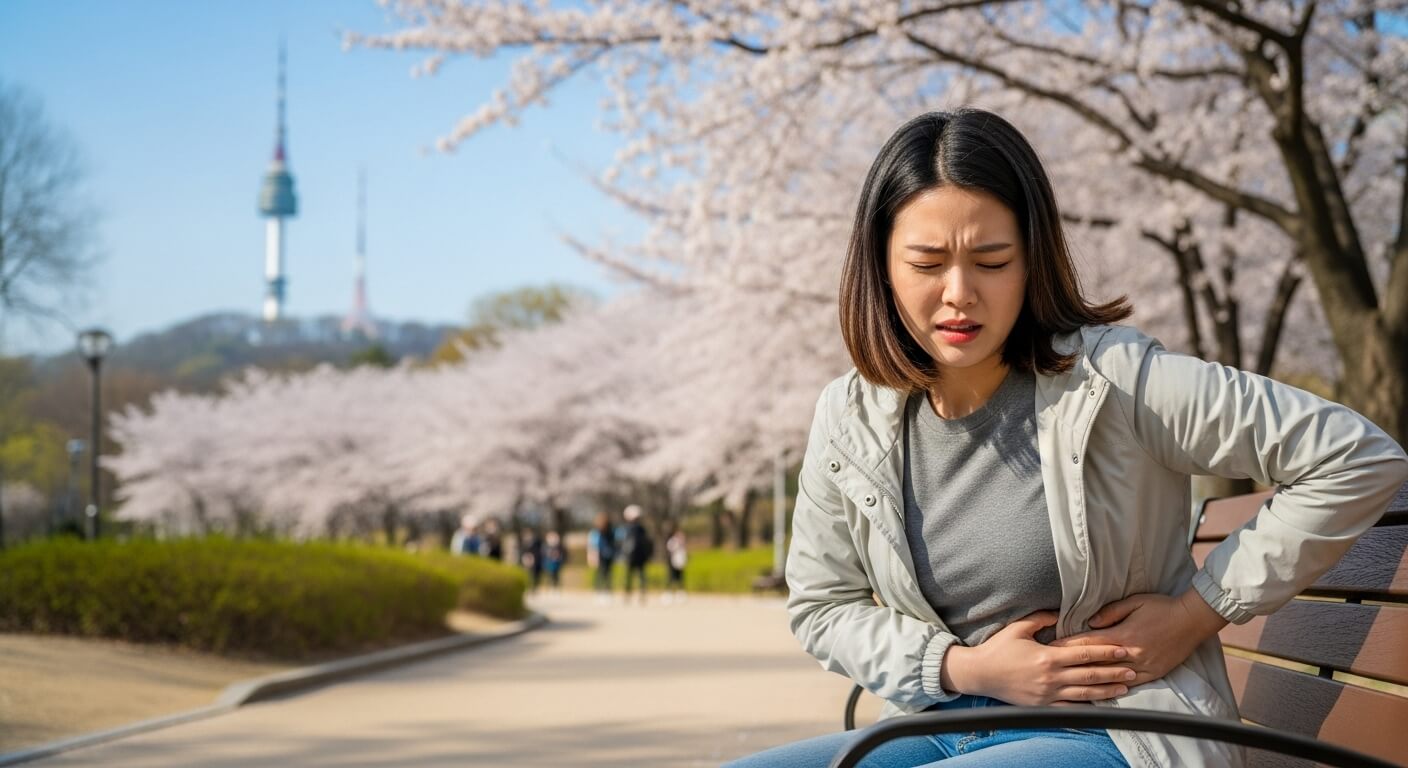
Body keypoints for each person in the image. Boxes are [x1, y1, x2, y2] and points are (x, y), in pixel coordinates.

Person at [724, 108, 1408, 768]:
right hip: (942, 724)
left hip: (1122, 727)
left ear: (1032, 261)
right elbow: (823, 604)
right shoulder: (851, 415)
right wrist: (962, 666)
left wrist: (1197, 614)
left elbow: (1356, 455)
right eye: (927, 264)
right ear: (881, 265)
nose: (958, 293)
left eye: (992, 261)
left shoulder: (1113, 381)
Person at [620, 504, 653, 603]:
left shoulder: (628, 529)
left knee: (631, 576)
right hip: (640, 556)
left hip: (632, 556)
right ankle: (640, 593)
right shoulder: (640, 529)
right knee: (640, 576)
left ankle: (629, 594)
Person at [587, 511, 617, 600]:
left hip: (607, 554)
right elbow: (594, 544)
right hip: (602, 554)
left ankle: (605, 590)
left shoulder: (610, 531)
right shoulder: (598, 532)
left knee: (605, 573)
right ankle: (601, 590)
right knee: (602, 573)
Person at [664, 523, 688, 604]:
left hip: (680, 561)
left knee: (680, 578)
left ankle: (680, 593)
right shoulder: (672, 540)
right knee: (671, 578)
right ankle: (669, 593)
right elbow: (670, 549)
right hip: (672, 561)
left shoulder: (681, 540)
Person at [519, 526, 544, 592]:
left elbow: (538, 552)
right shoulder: (522, 541)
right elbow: (521, 551)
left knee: (534, 575)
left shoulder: (536, 541)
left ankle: (534, 587)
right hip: (524, 561)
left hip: (534, 561)